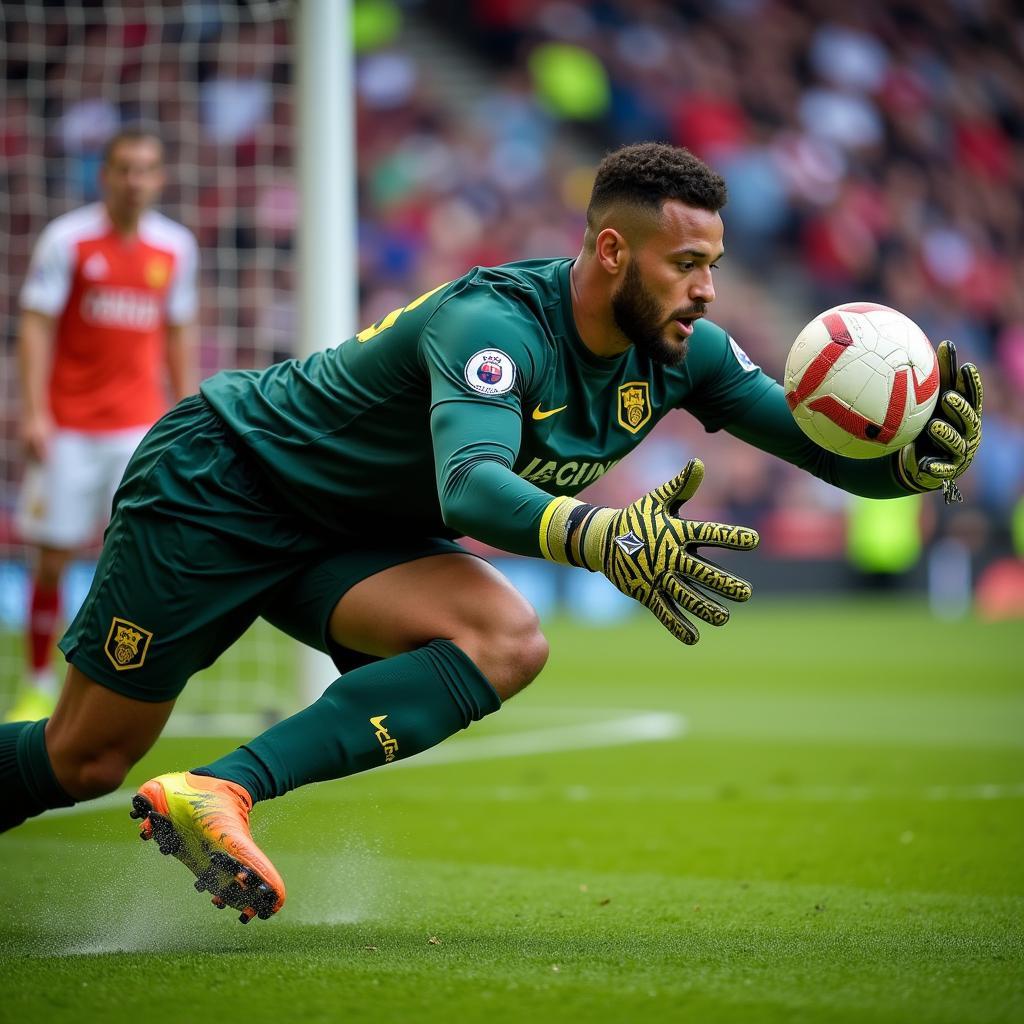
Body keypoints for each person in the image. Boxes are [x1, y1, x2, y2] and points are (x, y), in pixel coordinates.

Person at [0, 143, 981, 924]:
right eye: (685, 264)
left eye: (712, 265)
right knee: (86, 756)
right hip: (224, 478)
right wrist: (597, 534)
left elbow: (816, 445)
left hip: (347, 532)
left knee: (507, 639)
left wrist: (903, 463)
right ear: (609, 253)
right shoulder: (494, 326)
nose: (706, 288)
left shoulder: (686, 354)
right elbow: (471, 488)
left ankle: (220, 791)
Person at [7, 128, 198, 724]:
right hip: (67, 425)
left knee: (139, 555)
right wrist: (35, 410)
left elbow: (178, 329)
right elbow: (36, 324)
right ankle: (38, 682)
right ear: (105, 174)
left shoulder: (176, 247)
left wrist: (186, 407)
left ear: (159, 178)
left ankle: (120, 681)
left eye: (146, 169)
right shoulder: (68, 239)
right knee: (54, 556)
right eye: (124, 169)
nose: (135, 180)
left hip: (137, 428)